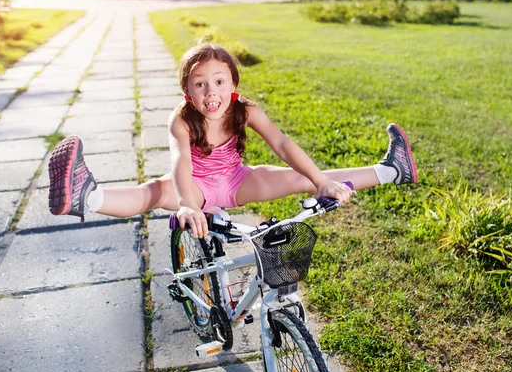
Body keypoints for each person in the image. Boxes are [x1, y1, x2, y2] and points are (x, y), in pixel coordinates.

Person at [48, 43, 418, 238]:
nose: (212, 92)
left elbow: (283, 144)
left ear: (233, 85)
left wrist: (320, 181)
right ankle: (86, 195)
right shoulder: (181, 119)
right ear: (187, 92)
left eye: (220, 82)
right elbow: (181, 164)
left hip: (238, 181)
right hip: (195, 187)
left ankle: (391, 170)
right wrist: (190, 205)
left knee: (301, 176)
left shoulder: (246, 110)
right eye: (200, 84)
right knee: (154, 193)